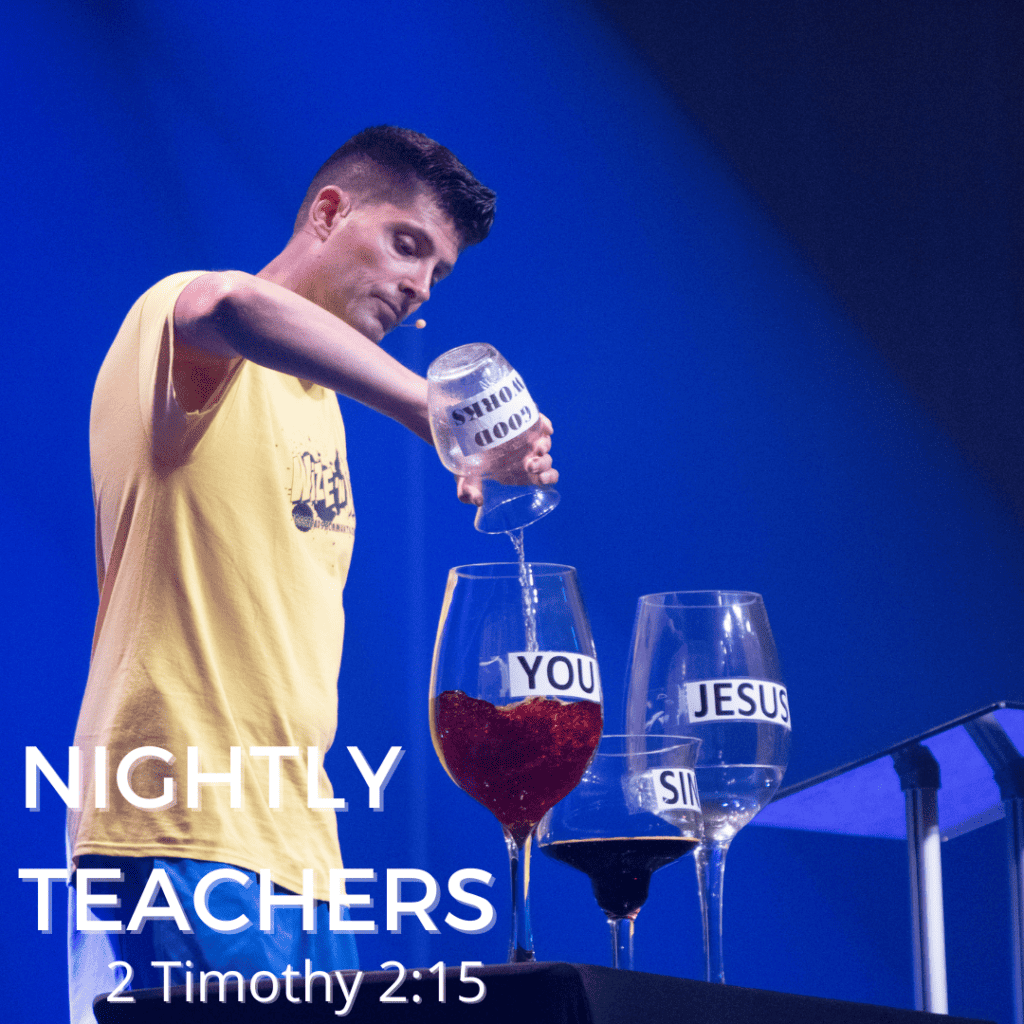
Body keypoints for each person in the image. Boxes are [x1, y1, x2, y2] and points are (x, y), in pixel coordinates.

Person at [67, 125, 557, 1023]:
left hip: (302, 852)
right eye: (406, 243)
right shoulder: (183, 320)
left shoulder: (319, 408)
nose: (419, 286)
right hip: (178, 822)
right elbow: (230, 303)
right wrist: (429, 407)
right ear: (329, 212)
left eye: (438, 273)